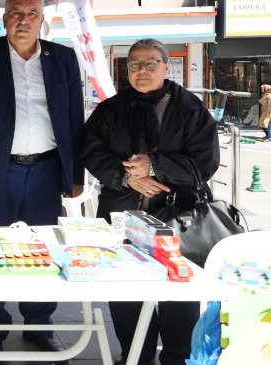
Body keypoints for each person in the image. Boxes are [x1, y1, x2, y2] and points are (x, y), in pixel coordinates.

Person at [81, 38, 219, 365]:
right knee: (125, 291)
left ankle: (176, 357)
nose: (141, 70)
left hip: (178, 217)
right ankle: (135, 356)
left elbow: (205, 162)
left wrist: (155, 165)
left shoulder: (189, 108)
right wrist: (127, 176)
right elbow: (90, 149)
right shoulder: (110, 109)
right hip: (121, 213)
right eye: (134, 65)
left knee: (177, 295)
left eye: (150, 63)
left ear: (165, 67)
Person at [0, 0, 84, 356]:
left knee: (42, 250)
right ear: (4, 18)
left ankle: (38, 323)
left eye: (32, 13)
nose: (23, 20)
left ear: (43, 20)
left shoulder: (62, 57)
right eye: (16, 12)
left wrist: (75, 173)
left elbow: (74, 116)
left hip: (46, 169)